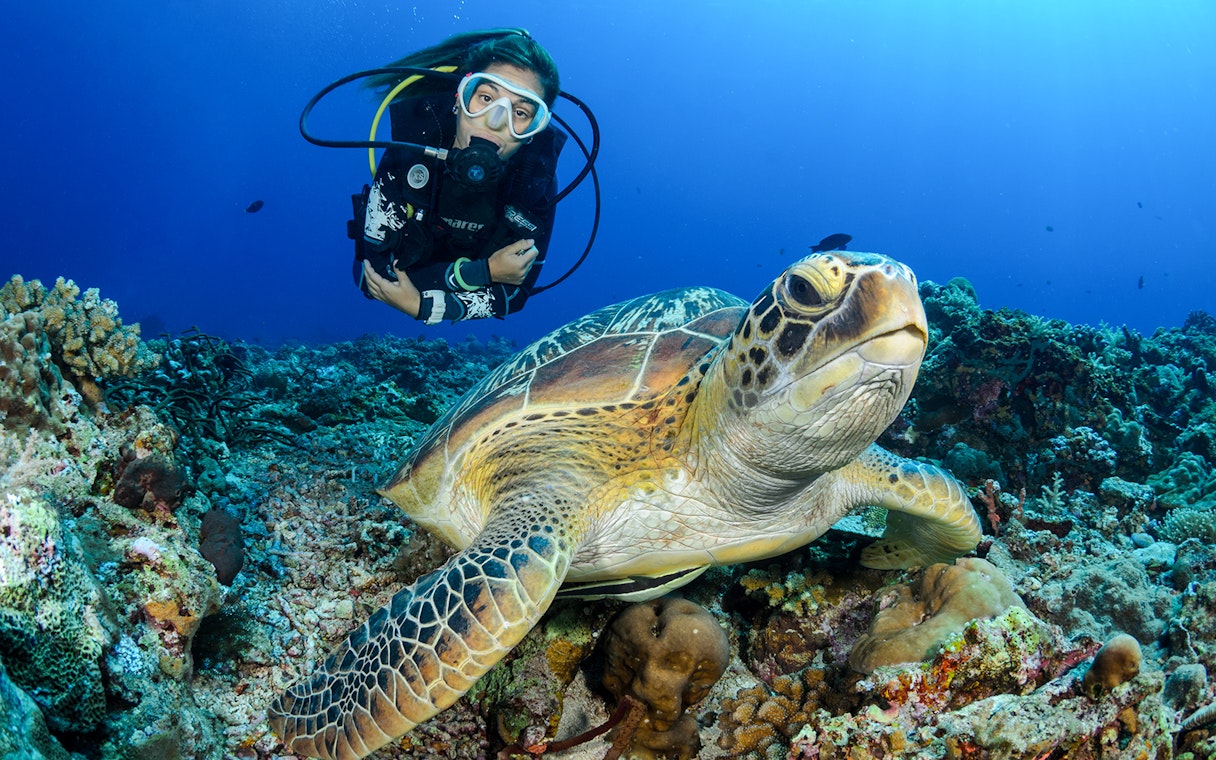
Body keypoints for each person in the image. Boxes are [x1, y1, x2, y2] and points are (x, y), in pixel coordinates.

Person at [352, 29, 563, 324]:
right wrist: (482, 272)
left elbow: (514, 296)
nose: (496, 121)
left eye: (521, 113)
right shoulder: (413, 150)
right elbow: (370, 277)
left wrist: (423, 305)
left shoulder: (534, 183)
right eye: (486, 97)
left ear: (533, 133)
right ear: (459, 98)